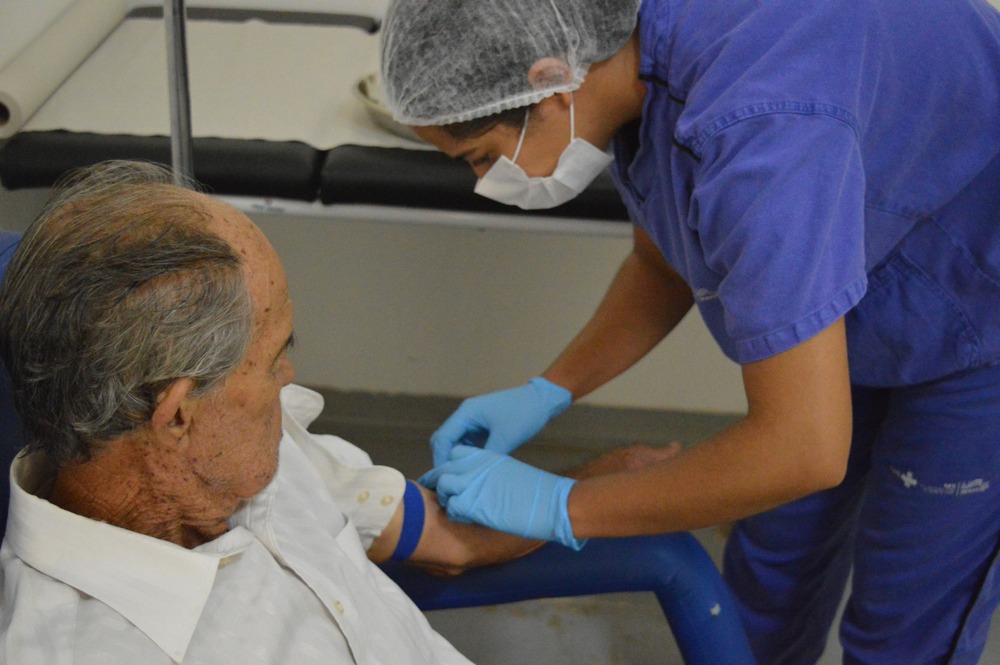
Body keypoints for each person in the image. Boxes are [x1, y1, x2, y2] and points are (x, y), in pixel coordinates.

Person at [380, 1, 1000, 663]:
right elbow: (664, 261)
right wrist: (547, 390)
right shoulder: (633, 69)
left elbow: (805, 445)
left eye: (480, 157)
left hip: (979, 308)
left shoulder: (762, 125)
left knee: (901, 629)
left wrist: (562, 506)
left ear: (547, 79)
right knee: (766, 581)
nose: (484, 183)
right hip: (865, 281)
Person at [0, 161, 676, 664]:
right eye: (272, 357)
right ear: (176, 414)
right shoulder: (84, 647)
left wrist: (593, 487)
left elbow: (438, 535)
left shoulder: (240, 456)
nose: (290, 376)